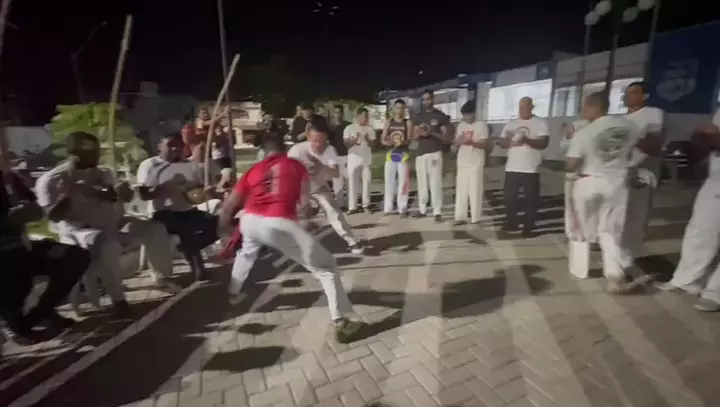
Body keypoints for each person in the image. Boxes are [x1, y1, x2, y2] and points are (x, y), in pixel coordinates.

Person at [218, 132, 366, 343]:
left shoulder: (253, 169)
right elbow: (305, 207)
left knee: (246, 253)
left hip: (250, 220)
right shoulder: (296, 166)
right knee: (327, 268)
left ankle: (233, 293)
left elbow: (228, 207)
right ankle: (342, 321)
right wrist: (309, 216)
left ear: (264, 151)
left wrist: (223, 232)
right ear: (284, 148)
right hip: (278, 223)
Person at [36, 132, 181, 317]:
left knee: (155, 229)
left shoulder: (104, 172)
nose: (96, 157)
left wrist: (121, 192)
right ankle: (118, 300)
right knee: (108, 245)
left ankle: (162, 278)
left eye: (97, 152)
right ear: (74, 154)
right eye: (90, 154)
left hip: (116, 223)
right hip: (81, 230)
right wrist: (68, 194)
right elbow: (52, 216)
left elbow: (121, 197)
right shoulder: (52, 179)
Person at [565, 92, 648, 294]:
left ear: (593, 107)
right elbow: (642, 149)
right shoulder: (628, 126)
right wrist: (629, 165)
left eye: (584, 106)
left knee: (579, 229)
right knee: (609, 232)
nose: (582, 110)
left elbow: (571, 164)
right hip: (617, 184)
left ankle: (580, 269)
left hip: (588, 182)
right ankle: (614, 277)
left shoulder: (585, 132)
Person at [1, 161, 87, 343]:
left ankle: (39, 314)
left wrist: (31, 211)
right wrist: (8, 220)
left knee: (75, 256)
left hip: (24, 248)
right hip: (6, 257)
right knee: (12, 264)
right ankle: (15, 323)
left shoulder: (10, 178)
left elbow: (37, 212)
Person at [655, 108, 720, 312]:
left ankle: (715, 293)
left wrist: (713, 136)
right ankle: (688, 281)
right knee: (699, 232)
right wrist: (703, 138)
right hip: (715, 181)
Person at [136, 132, 220, 281]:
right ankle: (198, 267)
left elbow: (197, 189)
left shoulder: (190, 165)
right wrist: (163, 188)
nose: (175, 149)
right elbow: (144, 195)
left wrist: (203, 192)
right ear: (159, 146)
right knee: (187, 228)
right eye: (170, 145)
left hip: (188, 210)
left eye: (178, 145)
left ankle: (190, 248)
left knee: (222, 223)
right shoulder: (150, 165)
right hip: (163, 213)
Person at [288, 122, 365, 254]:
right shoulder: (297, 151)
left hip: (318, 187)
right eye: (315, 141)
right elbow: (286, 174)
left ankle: (352, 241)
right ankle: (292, 245)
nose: (319, 145)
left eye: (323, 141)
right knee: (293, 215)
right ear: (308, 138)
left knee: (333, 212)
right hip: (297, 188)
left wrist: (321, 167)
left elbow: (335, 174)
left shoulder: (329, 150)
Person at [622, 82, 666, 259]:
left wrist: (632, 138)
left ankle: (632, 251)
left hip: (642, 168)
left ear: (645, 96)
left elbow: (655, 144)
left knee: (637, 212)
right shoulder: (621, 119)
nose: (628, 96)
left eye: (633, 92)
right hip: (621, 170)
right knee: (621, 210)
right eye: (627, 93)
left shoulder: (653, 114)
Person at [497, 97, 550, 238]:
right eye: (520, 107)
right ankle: (512, 222)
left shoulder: (540, 123)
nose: (522, 110)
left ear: (532, 107)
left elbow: (543, 143)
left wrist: (525, 140)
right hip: (512, 167)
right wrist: (506, 141)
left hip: (530, 167)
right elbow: (501, 142)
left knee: (530, 200)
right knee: (509, 197)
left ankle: (528, 226)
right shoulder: (512, 123)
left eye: (525, 107)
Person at [412, 90, 451, 222]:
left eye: (428, 99)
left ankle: (437, 211)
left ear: (433, 99)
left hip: (435, 152)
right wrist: (420, 133)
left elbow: (447, 138)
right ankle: (422, 209)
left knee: (435, 182)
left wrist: (432, 133)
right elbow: (414, 136)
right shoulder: (419, 117)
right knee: (422, 182)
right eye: (424, 99)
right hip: (421, 153)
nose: (426, 102)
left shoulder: (440, 116)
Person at [453, 101, 488, 226]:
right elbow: (456, 142)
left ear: (473, 114)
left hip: (476, 162)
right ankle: (460, 216)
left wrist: (472, 142)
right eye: (463, 115)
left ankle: (475, 218)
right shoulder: (461, 125)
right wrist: (459, 141)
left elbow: (484, 144)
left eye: (467, 115)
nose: (465, 118)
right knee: (461, 190)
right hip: (463, 161)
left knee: (475, 190)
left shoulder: (481, 125)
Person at [381, 99, 413, 217]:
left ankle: (402, 208)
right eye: (398, 108)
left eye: (402, 108)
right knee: (389, 181)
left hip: (403, 155)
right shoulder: (389, 122)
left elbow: (410, 139)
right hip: (391, 154)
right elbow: (382, 139)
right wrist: (389, 142)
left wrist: (402, 142)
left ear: (405, 109)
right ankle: (388, 208)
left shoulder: (408, 122)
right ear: (394, 109)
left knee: (403, 182)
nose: (400, 110)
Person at [559, 119, 590, 240]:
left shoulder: (597, 126)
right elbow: (563, 148)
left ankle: (588, 232)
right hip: (573, 173)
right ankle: (571, 232)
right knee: (570, 204)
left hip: (589, 172)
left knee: (587, 204)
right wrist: (568, 135)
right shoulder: (576, 124)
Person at [344, 108, 376, 214]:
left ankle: (366, 205)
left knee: (367, 181)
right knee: (352, 183)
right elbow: (346, 143)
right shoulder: (349, 128)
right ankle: (352, 207)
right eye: (364, 116)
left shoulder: (370, 129)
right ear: (358, 116)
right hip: (353, 159)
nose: (366, 118)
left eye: (367, 116)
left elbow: (373, 145)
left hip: (366, 159)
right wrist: (354, 140)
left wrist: (367, 139)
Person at [329, 105, 351, 209]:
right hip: (335, 157)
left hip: (347, 156)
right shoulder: (330, 128)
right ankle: (340, 204)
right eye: (336, 112)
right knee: (337, 182)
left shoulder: (348, 126)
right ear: (333, 114)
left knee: (349, 181)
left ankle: (350, 204)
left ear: (342, 113)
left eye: (339, 112)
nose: (338, 115)